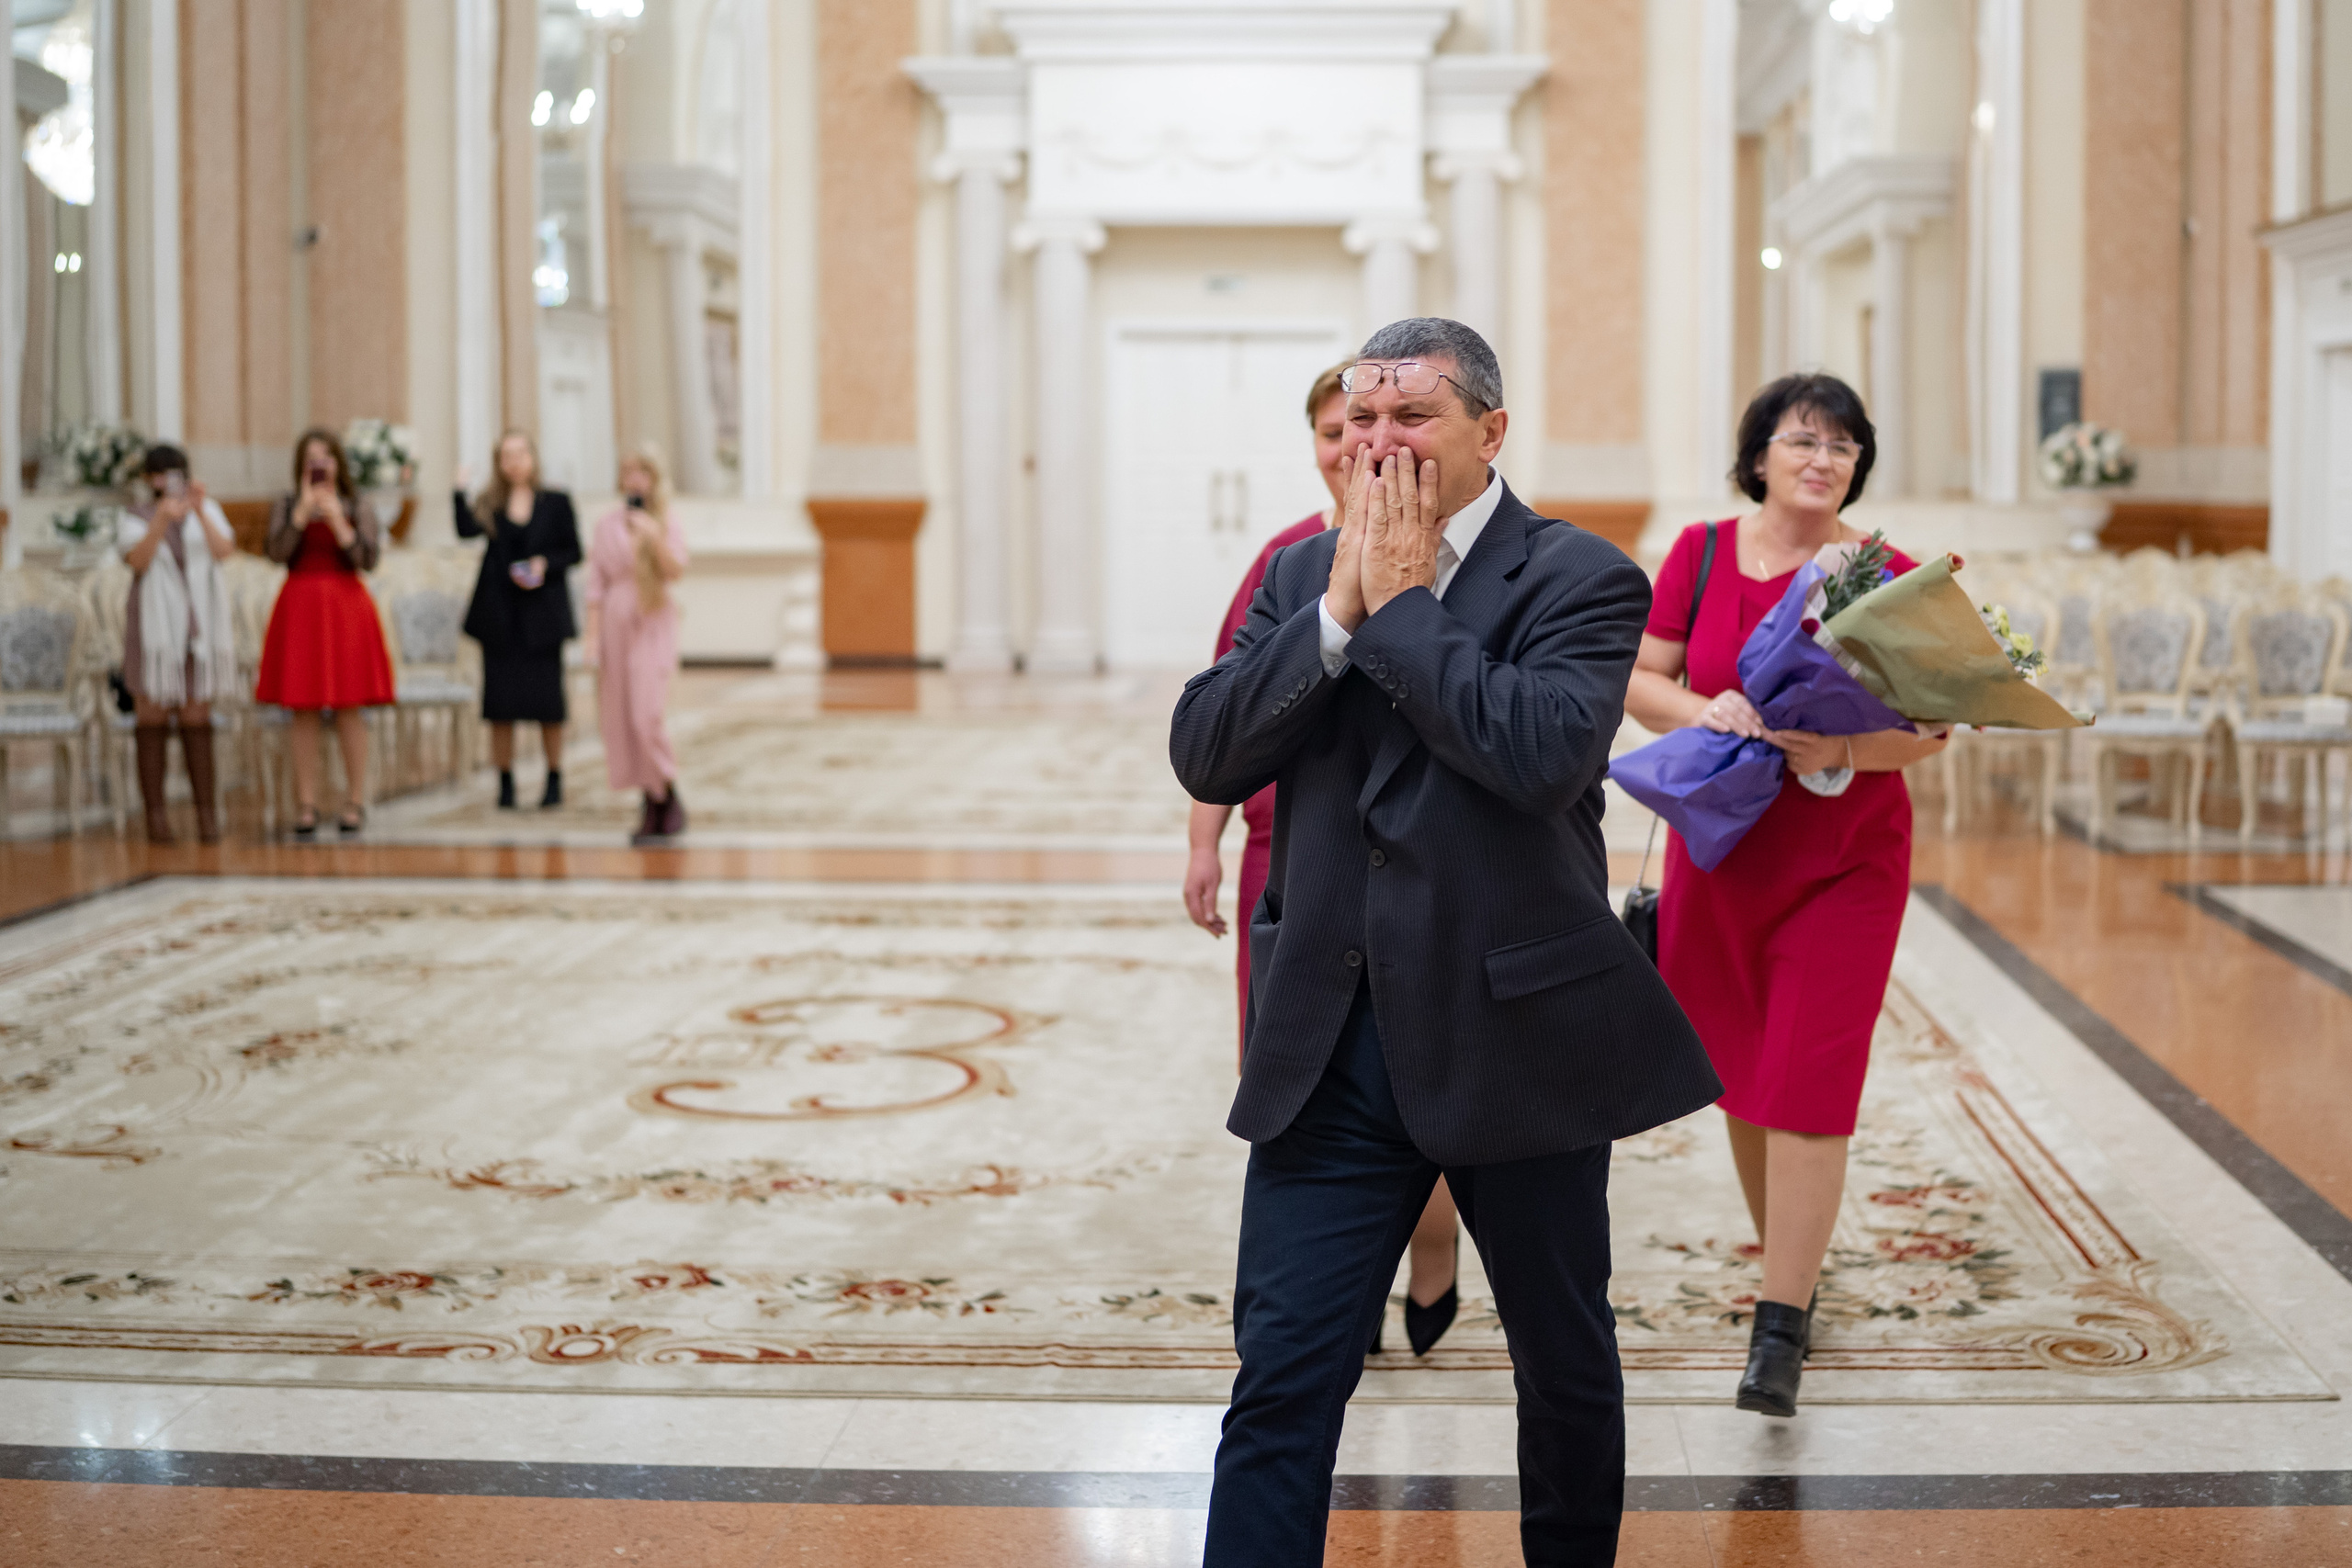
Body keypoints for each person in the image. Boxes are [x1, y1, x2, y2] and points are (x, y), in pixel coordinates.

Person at [1170, 318, 1720, 1567]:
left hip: (1515, 1036)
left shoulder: (1581, 576)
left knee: (1563, 1360)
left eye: (1411, 416)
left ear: (1491, 431)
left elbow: (1536, 755)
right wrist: (1333, 615)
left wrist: (1402, 606)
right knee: (1283, 1375)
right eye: (1360, 416)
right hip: (1331, 1045)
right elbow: (1206, 747)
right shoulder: (1297, 573)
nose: (1378, 441)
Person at [1623, 372, 1950, 1420]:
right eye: (1803, 439)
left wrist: (1846, 743)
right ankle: (1790, 1261)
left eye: (1844, 446)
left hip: (1844, 854)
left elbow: (1932, 730)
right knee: (1737, 1068)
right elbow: (1641, 677)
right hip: (1722, 854)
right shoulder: (1700, 553)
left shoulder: (1882, 573)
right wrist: (1704, 709)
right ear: (1758, 452)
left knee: (1808, 1076)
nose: (1823, 459)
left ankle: (1780, 1328)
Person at [1181, 361, 1465, 1359]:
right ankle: (1327, 1282)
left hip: (1418, 859)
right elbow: (1225, 708)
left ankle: (1433, 1252)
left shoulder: (1466, 558)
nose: (1357, 448)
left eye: (1387, 424)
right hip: (1284, 850)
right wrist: (1202, 844)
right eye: (1339, 431)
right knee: (1297, 1075)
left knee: (1422, 1078)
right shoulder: (1287, 558)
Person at [254, 428, 398, 837]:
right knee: (302, 707)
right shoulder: (286, 504)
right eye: (311, 458)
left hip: (345, 607)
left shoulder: (357, 504)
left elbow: (367, 559)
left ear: (338, 463)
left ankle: (354, 800)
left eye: (326, 457)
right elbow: (275, 553)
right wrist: (301, 515)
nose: (319, 465)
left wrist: (339, 521)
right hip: (300, 606)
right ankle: (306, 803)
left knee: (351, 706)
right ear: (301, 465)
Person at [116, 445, 239, 844]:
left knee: (194, 714)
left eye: (176, 473)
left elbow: (224, 552)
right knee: (150, 714)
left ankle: (206, 815)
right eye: (161, 474)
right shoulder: (134, 515)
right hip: (153, 633)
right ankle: (156, 818)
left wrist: (199, 512)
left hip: (196, 629)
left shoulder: (208, 510)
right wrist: (160, 521)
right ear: (150, 479)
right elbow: (137, 561)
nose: (169, 481)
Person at [455, 431, 580, 809]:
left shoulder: (555, 501)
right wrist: (458, 490)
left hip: (542, 616)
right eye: (506, 455)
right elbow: (464, 530)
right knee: (501, 706)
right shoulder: (491, 503)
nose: (514, 461)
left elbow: (574, 550)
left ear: (532, 456)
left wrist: (545, 564)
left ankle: (553, 777)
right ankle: (505, 782)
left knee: (548, 705)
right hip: (501, 615)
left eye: (520, 453)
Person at [584, 446, 689, 842]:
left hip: (653, 621)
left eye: (641, 471)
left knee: (648, 714)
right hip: (615, 624)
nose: (634, 479)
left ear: (654, 477)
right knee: (625, 718)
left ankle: (667, 789)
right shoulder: (606, 525)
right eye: (628, 470)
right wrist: (592, 638)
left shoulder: (665, 521)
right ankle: (653, 801)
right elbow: (595, 584)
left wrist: (654, 537)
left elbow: (675, 571)